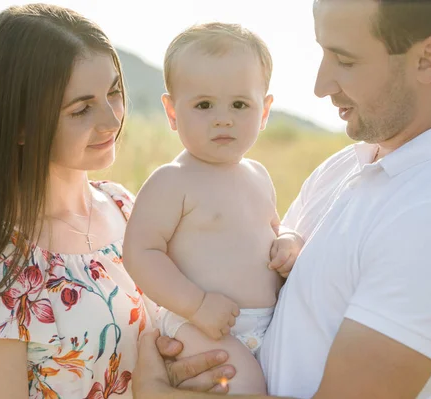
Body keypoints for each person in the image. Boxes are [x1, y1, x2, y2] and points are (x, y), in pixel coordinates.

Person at [133, 0, 431, 398]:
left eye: (345, 60)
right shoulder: (351, 163)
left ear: (428, 59)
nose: (320, 85)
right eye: (323, 52)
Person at [0, 4, 235, 398]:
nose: (112, 121)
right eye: (81, 109)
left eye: (113, 93)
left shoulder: (127, 206)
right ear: (20, 125)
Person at [123, 23, 304, 395]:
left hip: (262, 325)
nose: (224, 118)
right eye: (204, 105)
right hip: (196, 323)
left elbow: (273, 226)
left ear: (265, 109)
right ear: (173, 112)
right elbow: (140, 252)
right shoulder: (172, 181)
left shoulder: (257, 174)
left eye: (240, 104)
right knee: (248, 386)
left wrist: (287, 241)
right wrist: (197, 304)